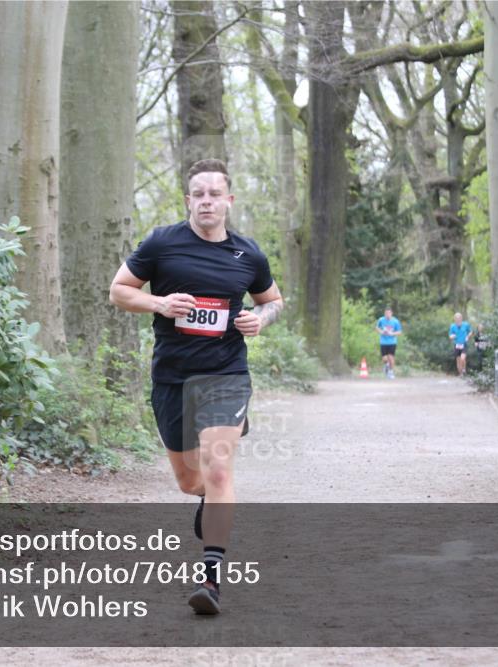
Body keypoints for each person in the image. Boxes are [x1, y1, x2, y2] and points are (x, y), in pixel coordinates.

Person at [109, 159, 283, 615]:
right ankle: (207, 498)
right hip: (172, 377)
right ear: (189, 201)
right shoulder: (162, 244)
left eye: (214, 193)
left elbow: (274, 300)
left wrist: (259, 318)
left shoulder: (249, 255)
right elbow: (119, 291)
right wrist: (159, 302)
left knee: (220, 469)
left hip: (225, 374)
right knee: (192, 482)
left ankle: (210, 580)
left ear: (229, 200)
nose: (206, 201)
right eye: (198, 194)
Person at [375, 307, 402, 379]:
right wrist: (381, 332)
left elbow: (399, 332)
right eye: (386, 313)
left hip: (392, 342)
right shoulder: (381, 320)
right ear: (384, 314)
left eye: (389, 313)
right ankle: (386, 365)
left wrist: (392, 333)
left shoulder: (395, 321)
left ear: (391, 313)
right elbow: (377, 328)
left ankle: (391, 372)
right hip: (383, 342)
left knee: (391, 357)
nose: (387, 315)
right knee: (384, 358)